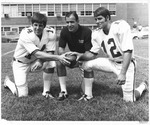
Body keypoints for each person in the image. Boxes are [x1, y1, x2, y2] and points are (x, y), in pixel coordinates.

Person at [73, 7, 148, 102]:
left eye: (100, 18)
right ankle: (88, 95)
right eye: (95, 19)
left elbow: (128, 51)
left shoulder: (120, 26)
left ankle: (143, 86)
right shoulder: (96, 33)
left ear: (108, 18)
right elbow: (92, 54)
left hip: (126, 64)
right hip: (111, 62)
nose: (97, 21)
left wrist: (123, 73)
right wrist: (81, 56)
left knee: (129, 99)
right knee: (86, 65)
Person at [4, 12, 70, 98]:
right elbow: (37, 53)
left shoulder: (50, 33)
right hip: (21, 63)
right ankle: (8, 82)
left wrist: (40, 60)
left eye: (40, 25)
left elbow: (50, 52)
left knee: (50, 63)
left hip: (35, 61)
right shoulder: (25, 33)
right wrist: (58, 58)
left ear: (44, 26)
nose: (37, 28)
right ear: (32, 24)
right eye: (35, 25)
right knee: (22, 95)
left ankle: (46, 91)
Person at [56, 11, 93, 101]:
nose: (69, 24)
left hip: (85, 58)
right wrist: (63, 56)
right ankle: (64, 91)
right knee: (59, 62)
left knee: (84, 90)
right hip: (73, 58)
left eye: (72, 22)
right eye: (67, 22)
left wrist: (80, 56)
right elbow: (61, 48)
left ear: (78, 21)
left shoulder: (86, 31)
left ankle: (88, 93)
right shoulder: (64, 31)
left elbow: (89, 53)